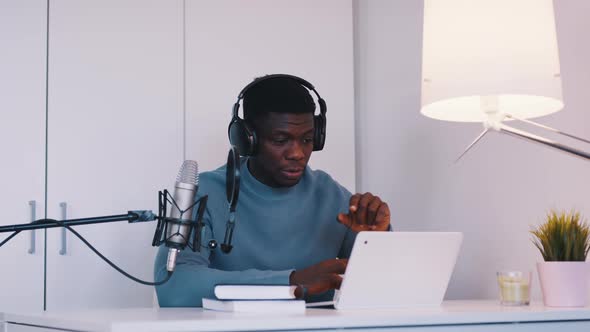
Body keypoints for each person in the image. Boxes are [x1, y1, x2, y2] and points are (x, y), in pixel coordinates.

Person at [154, 74, 390, 307]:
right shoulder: (203, 193)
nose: (297, 153)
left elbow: (385, 290)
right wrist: (291, 282)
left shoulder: (331, 195)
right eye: (280, 140)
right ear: (247, 140)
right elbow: (174, 288)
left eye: (307, 140)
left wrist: (374, 242)